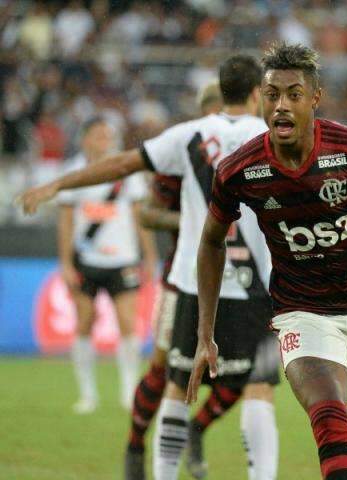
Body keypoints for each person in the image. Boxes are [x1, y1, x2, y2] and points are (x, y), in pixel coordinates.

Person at [18, 56, 279, 480]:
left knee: (177, 384)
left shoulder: (188, 135)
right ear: (257, 93)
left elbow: (123, 164)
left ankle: (161, 473)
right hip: (255, 287)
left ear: (221, 92)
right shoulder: (271, 137)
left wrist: (59, 184)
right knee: (258, 387)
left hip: (193, 283)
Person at [186, 42, 347, 480]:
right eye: (272, 94)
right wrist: (205, 333)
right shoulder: (238, 170)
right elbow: (210, 243)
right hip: (302, 313)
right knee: (327, 421)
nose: (281, 106)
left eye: (294, 94)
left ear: (315, 98)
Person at [56, 117, 157, 414]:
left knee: (128, 324)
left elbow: (141, 217)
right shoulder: (73, 171)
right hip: (86, 259)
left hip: (123, 260)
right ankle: (87, 395)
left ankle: (128, 392)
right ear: (84, 138)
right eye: (98, 135)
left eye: (107, 136)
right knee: (84, 322)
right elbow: (64, 220)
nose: (104, 141)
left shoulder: (126, 170)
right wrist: (64, 262)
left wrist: (149, 256)